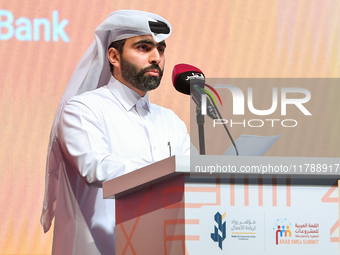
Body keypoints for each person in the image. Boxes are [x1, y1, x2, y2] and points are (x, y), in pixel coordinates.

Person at [40, 10, 190, 255]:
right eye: (144, 47)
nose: (156, 58)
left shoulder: (171, 121)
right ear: (114, 56)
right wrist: (170, 171)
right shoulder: (83, 109)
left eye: (161, 49)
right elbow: (95, 167)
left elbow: (192, 182)